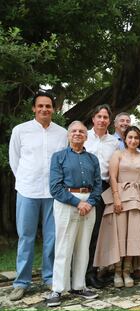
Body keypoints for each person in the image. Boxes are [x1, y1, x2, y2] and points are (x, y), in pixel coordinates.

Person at [8, 90, 67, 301]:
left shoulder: (62, 133)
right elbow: (14, 160)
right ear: (34, 108)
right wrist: (24, 180)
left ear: (54, 109)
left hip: (53, 194)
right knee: (26, 237)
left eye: (48, 106)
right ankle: (21, 282)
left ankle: (49, 277)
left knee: (52, 237)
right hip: (28, 191)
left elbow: (63, 163)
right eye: (40, 106)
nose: (44, 109)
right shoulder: (20, 131)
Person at [93, 126, 140, 287]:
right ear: (125, 138)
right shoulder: (118, 155)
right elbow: (112, 177)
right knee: (119, 234)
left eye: (136, 138)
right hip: (120, 196)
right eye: (130, 137)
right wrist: (116, 197)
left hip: (138, 197)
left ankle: (127, 270)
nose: (133, 140)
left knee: (133, 235)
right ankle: (116, 271)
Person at [46, 121, 101, 307]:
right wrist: (78, 203)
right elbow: (55, 187)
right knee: (63, 246)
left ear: (86, 136)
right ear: (68, 135)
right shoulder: (58, 157)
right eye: (74, 131)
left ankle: (79, 285)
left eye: (82, 131)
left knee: (83, 246)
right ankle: (58, 289)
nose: (78, 133)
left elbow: (98, 185)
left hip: (89, 204)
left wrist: (90, 203)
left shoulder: (93, 159)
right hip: (66, 202)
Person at [84, 104, 119, 289]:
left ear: (109, 121)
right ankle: (76, 273)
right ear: (93, 119)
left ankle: (91, 273)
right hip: (82, 188)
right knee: (80, 232)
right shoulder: (83, 136)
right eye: (99, 116)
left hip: (103, 188)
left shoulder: (114, 142)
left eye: (105, 117)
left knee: (97, 232)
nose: (102, 120)